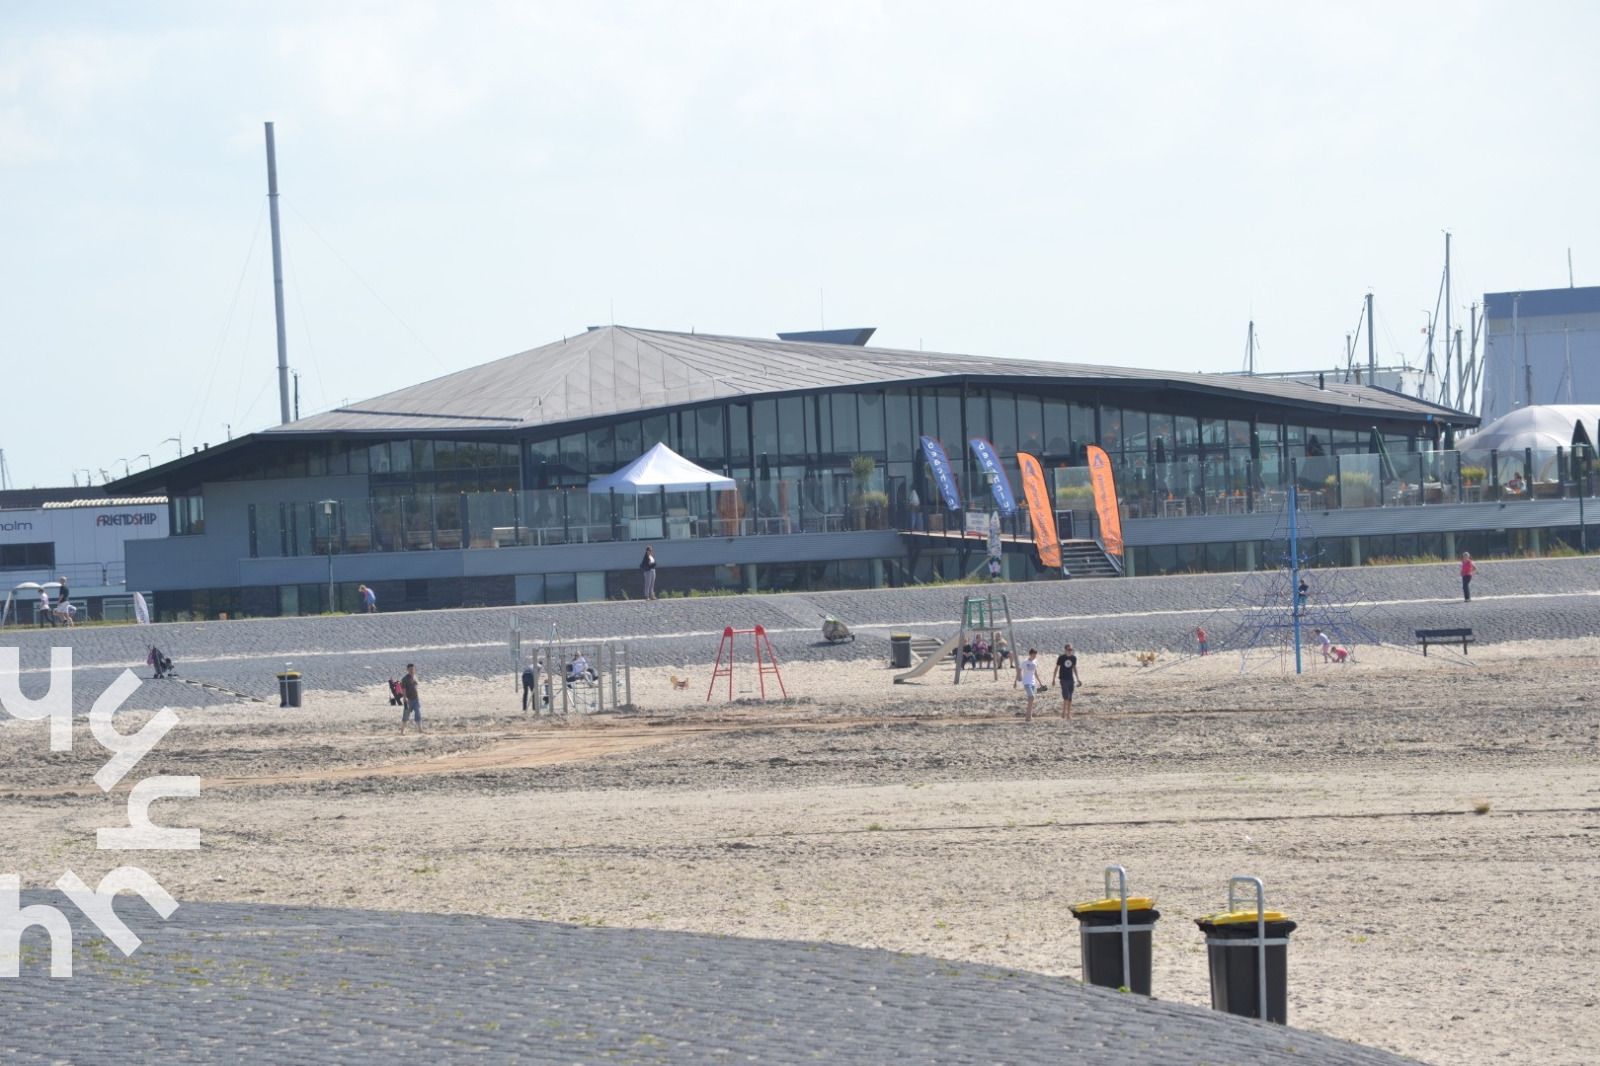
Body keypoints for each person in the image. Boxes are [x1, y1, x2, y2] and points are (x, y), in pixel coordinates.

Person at [1052, 642, 1082, 720]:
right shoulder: (1061, 658)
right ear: (1065, 650)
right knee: (1066, 697)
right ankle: (1063, 713)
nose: (1070, 651)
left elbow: (1074, 668)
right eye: (1069, 649)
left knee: (1070, 698)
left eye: (1071, 649)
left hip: (1071, 679)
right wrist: (1053, 679)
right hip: (1063, 679)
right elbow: (1056, 668)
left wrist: (1078, 678)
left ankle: (1068, 714)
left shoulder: (1074, 658)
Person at [1016, 648, 1041, 721]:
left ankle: (1028, 716)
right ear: (1030, 654)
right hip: (1026, 682)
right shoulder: (1024, 662)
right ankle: (1028, 716)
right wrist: (1016, 680)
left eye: (1035, 655)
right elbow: (1019, 670)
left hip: (1033, 682)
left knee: (1031, 699)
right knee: (1031, 697)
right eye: (1033, 655)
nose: (1034, 656)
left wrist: (1040, 682)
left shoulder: (1035, 661)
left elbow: (1035, 672)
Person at [399, 663, 423, 734]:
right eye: (410, 669)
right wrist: (404, 698)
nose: (412, 670)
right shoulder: (404, 679)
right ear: (407, 670)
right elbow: (403, 689)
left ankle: (420, 730)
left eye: (413, 669)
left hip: (416, 699)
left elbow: (416, 686)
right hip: (408, 700)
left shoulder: (415, 677)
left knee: (418, 713)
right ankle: (402, 731)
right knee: (406, 715)